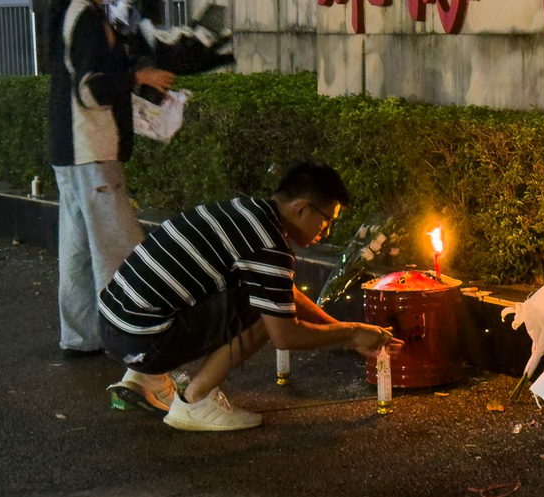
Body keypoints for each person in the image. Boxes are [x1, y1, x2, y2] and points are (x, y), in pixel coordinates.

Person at [98, 160, 404, 431]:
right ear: (301, 208)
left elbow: (285, 293)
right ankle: (195, 401)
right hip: (143, 339)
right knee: (262, 311)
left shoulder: (246, 212)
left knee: (265, 298)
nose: (325, 233)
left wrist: (342, 332)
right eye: (327, 222)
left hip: (115, 325)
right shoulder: (269, 243)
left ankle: (144, 376)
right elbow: (285, 334)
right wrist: (350, 331)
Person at [48, 0, 175, 357]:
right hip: (92, 149)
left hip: (73, 150)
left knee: (80, 249)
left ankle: (81, 337)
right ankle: (135, 341)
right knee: (119, 247)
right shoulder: (86, 17)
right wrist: (139, 77)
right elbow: (91, 90)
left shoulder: (76, 11)